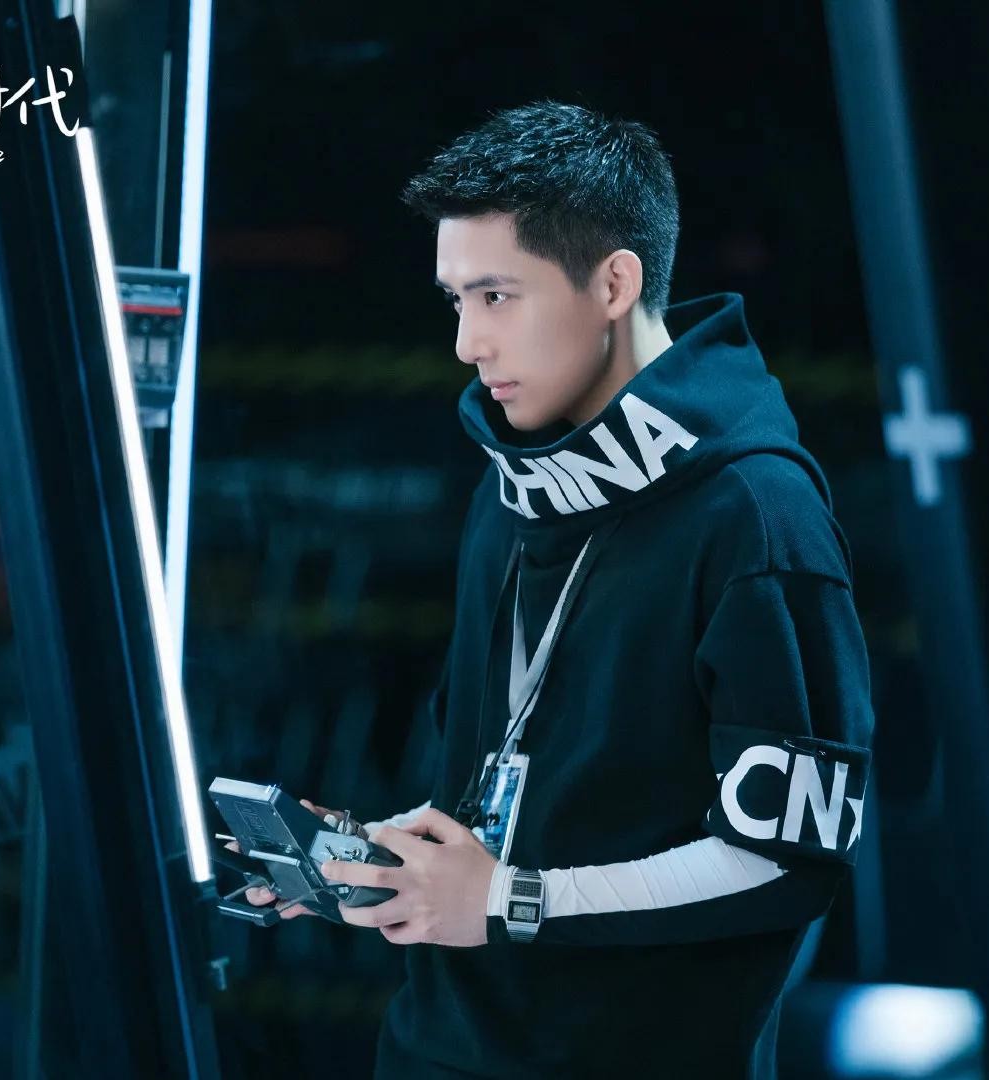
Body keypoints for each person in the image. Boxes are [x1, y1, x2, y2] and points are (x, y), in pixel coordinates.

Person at [239, 101, 875, 1078]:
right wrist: (382, 858)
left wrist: (508, 900)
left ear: (614, 282)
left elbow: (786, 862)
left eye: (497, 296)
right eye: (456, 301)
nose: (468, 343)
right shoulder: (516, 485)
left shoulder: (756, 514)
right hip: (436, 1050)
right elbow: (510, 797)